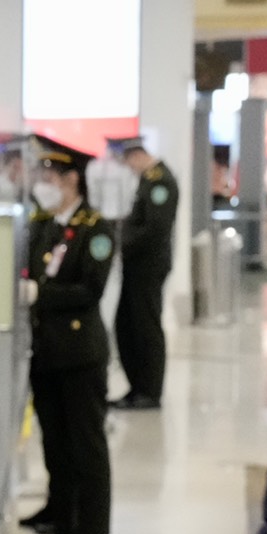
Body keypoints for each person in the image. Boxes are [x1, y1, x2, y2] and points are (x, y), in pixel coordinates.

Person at [20, 135, 115, 534]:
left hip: (79, 352)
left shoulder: (95, 228)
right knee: (55, 440)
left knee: (84, 444)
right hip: (46, 350)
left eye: (52, 174)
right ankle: (60, 513)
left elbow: (90, 290)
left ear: (73, 179)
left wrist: (39, 294)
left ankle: (87, 530)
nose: (45, 181)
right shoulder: (45, 224)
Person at [111, 138, 178, 410]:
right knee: (128, 325)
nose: (130, 169)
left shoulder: (160, 181)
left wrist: (122, 244)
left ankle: (150, 391)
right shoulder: (149, 179)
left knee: (146, 327)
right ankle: (136, 387)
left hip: (148, 266)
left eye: (129, 163)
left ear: (137, 155)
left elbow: (155, 228)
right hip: (136, 265)